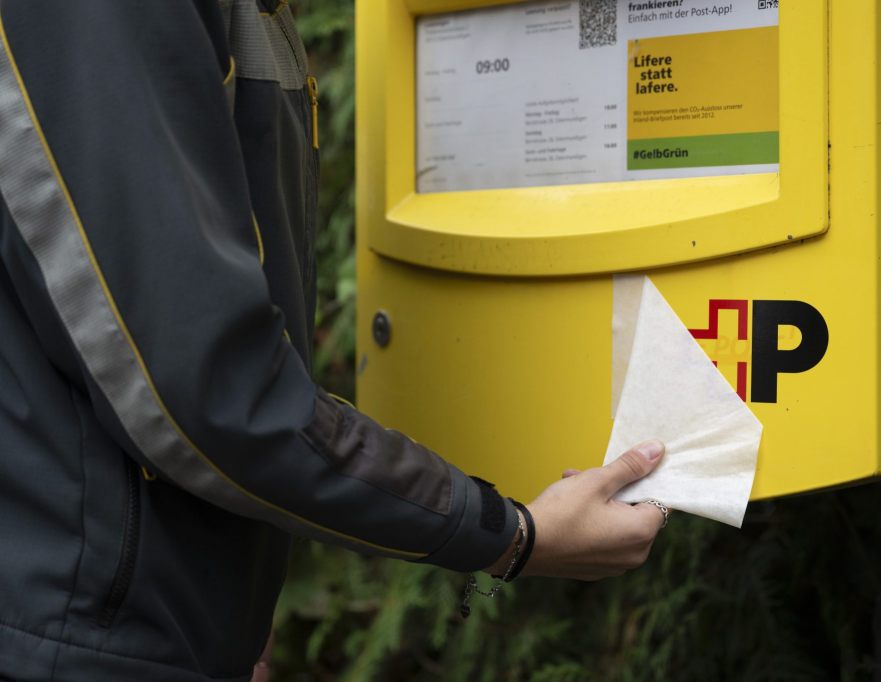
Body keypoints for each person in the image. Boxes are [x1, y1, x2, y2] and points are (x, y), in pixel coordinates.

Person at [0, 1, 667, 680]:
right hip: (69, 640)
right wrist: (510, 536)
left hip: (124, 631)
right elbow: (209, 389)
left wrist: (231, 615)